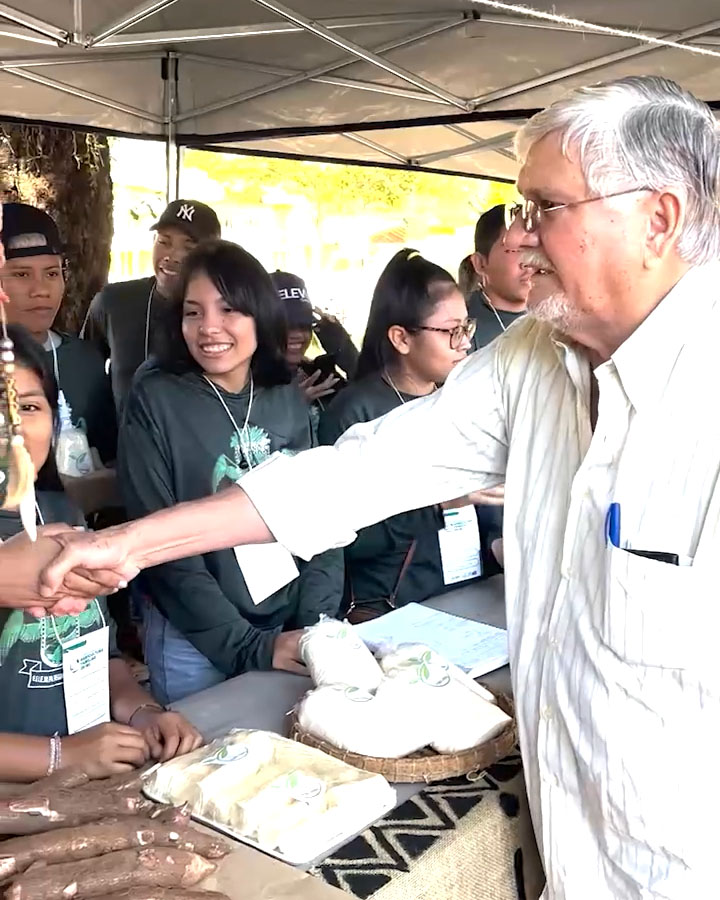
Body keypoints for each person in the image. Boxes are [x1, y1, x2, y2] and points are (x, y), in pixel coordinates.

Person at [37, 74, 720, 899]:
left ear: (658, 218)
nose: (519, 238)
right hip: (571, 854)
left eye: (545, 208)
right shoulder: (536, 360)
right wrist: (127, 544)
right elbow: (357, 473)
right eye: (519, 211)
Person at [118, 241, 343, 704]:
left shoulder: (283, 394)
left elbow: (323, 516)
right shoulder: (157, 398)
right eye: (193, 312)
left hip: (288, 627)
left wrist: (311, 625)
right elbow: (163, 548)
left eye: (229, 310)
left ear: (261, 314)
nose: (209, 329)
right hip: (196, 639)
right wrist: (249, 647)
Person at [0, 325, 201, 781]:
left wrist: (142, 713)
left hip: (87, 778)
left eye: (27, 406)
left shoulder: (59, 513)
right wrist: (59, 757)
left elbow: (97, 651)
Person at [319, 249, 483, 614]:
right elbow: (340, 538)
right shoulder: (355, 414)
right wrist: (439, 502)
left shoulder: (459, 400)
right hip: (384, 610)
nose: (465, 343)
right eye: (451, 332)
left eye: (466, 328)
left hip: (464, 595)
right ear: (401, 338)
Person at [1, 203, 117, 472]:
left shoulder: (85, 362)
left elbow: (110, 457)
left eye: (52, 273)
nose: (40, 290)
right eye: (21, 274)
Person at [81, 199, 221, 413]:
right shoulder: (114, 302)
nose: (172, 256)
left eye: (189, 247)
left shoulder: (225, 315)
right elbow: (83, 375)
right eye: (164, 242)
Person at [270, 270, 345, 410]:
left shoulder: (320, 374)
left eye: (304, 325)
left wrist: (346, 351)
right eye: (287, 326)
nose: (298, 334)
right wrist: (289, 409)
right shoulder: (244, 384)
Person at [466, 204, 531, 350]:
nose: (530, 262)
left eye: (535, 248)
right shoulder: (461, 331)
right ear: (480, 264)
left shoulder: (556, 320)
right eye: (515, 250)